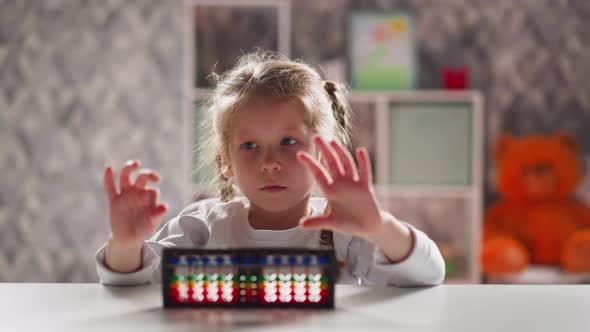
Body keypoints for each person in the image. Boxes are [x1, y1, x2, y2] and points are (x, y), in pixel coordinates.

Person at [95, 51, 445, 286]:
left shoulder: (344, 232)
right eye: (249, 146)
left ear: (323, 154)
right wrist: (125, 245)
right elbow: (135, 285)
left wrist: (380, 227)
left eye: (289, 142)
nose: (270, 163)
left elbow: (429, 274)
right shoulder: (202, 226)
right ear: (226, 162)